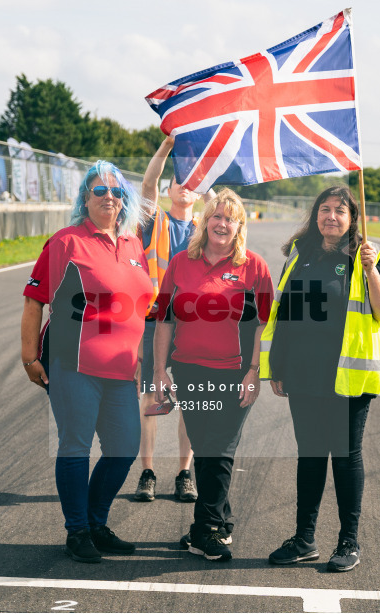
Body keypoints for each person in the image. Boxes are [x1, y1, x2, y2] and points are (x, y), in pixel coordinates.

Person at [20, 160, 153, 564]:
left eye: (116, 191)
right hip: (74, 365)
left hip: (121, 370)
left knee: (125, 447)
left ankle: (96, 522)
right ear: (85, 197)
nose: (109, 197)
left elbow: (138, 307)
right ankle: (77, 530)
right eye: (100, 190)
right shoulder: (66, 242)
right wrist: (29, 356)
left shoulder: (133, 245)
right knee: (76, 445)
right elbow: (34, 301)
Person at [260, 186, 380, 572]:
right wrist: (278, 366)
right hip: (303, 374)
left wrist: (370, 269)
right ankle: (304, 539)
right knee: (310, 456)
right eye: (324, 209)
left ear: (354, 218)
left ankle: (348, 542)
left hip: (347, 377)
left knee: (345, 456)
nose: (331, 217)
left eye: (340, 210)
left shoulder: (369, 256)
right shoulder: (300, 254)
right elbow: (285, 311)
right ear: (315, 215)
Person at [153, 189, 274, 561]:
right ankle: (220, 519)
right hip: (189, 370)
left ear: (240, 227)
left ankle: (203, 529)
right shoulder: (180, 263)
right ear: (204, 222)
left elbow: (265, 326)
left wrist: (255, 371)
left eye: (230, 218)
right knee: (205, 446)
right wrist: (159, 369)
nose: (222, 223)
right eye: (215, 216)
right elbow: (163, 320)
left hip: (236, 371)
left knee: (220, 447)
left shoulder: (254, 266)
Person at [134, 136, 213, 504]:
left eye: (191, 184)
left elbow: (217, 204)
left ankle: (185, 472)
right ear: (168, 190)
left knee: (192, 401)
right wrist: (166, 149)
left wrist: (204, 169)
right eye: (179, 181)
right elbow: (147, 185)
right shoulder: (155, 221)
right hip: (155, 323)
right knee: (151, 396)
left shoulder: (206, 230)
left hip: (195, 327)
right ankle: (147, 471)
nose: (185, 186)